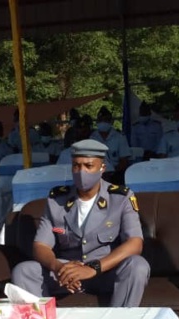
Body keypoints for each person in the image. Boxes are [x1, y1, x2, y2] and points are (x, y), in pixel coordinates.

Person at [11, 139, 149, 307]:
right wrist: (58, 267)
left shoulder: (121, 198)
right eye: (76, 166)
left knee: (137, 266)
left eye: (88, 166)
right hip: (66, 272)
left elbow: (135, 243)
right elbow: (41, 246)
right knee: (24, 270)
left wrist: (92, 269)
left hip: (104, 271)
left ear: (102, 168)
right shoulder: (57, 200)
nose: (81, 171)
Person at [90, 107, 131, 181]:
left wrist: (111, 172)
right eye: (100, 120)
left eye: (105, 120)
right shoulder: (92, 138)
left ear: (111, 122)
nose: (103, 122)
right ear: (97, 122)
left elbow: (124, 161)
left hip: (115, 173)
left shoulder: (120, 137)